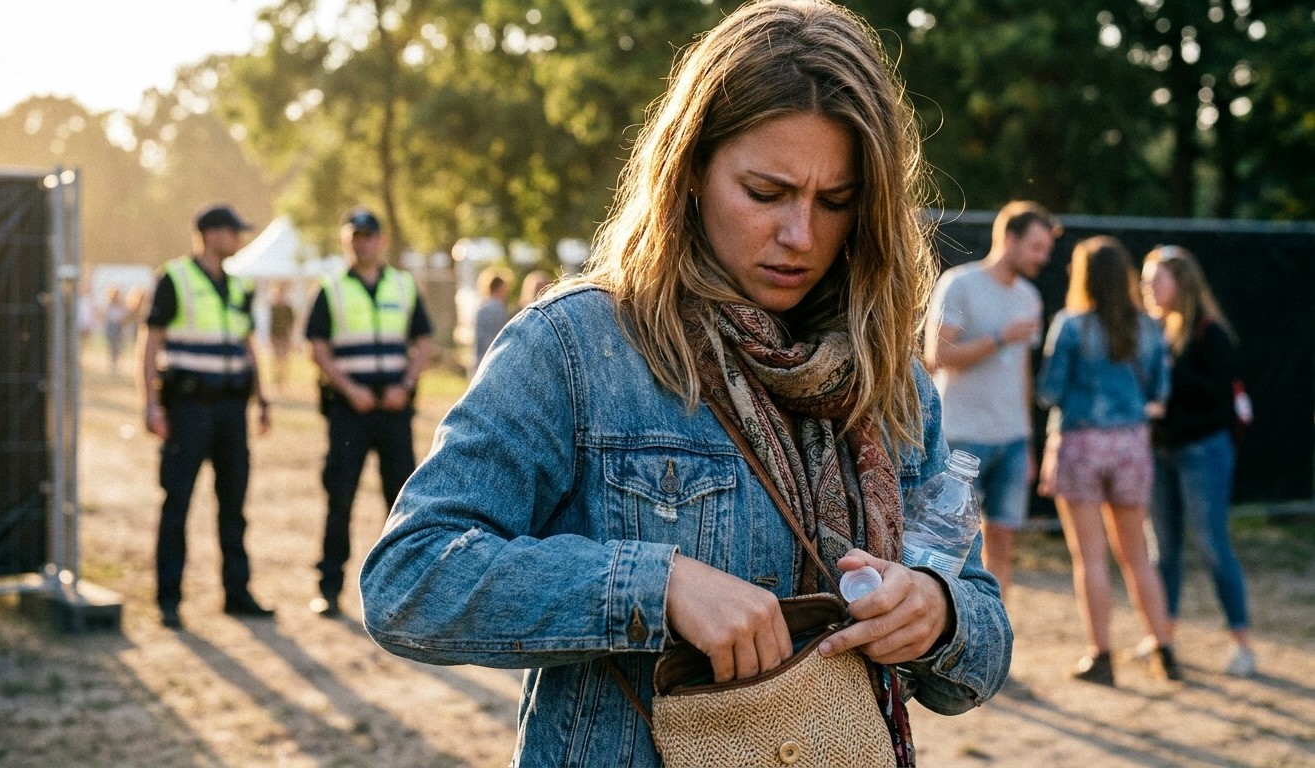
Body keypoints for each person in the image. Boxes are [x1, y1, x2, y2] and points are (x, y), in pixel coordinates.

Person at [359, 2, 1012, 765]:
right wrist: (654, 587)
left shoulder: (888, 377)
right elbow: (409, 579)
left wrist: (936, 614)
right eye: (765, 193)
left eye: (834, 202)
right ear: (689, 173)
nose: (800, 235)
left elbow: (980, 644)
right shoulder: (575, 346)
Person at [1036, 235, 1176, 684]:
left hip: (1080, 444)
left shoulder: (1070, 325)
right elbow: (1159, 391)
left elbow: (1049, 392)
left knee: (1090, 558)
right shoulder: (1150, 327)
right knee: (1136, 555)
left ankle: (1101, 656)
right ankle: (1164, 647)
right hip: (1132, 445)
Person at [138, 204, 274, 631]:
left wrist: (263, 398)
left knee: (233, 505)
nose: (239, 240)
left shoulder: (239, 286)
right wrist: (150, 403)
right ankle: (169, 599)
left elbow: (248, 344)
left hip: (232, 409)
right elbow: (151, 342)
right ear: (212, 234)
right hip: (188, 409)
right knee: (177, 502)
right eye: (234, 232)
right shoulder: (174, 278)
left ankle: (237, 592)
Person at [924, 201, 1060, 600]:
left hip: (1012, 439)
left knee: (1002, 539)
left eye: (1046, 249)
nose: (1042, 257)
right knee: (950, 542)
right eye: (1036, 247)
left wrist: (1028, 438)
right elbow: (937, 356)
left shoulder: (1029, 296)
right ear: (1010, 239)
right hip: (962, 436)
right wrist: (1000, 336)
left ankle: (993, 622)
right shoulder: (960, 283)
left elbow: (1020, 370)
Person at [304, 207, 434, 617]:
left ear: (381, 241)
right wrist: (350, 389)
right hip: (349, 412)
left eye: (368, 235)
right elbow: (317, 347)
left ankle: (405, 592)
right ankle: (329, 587)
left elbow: (424, 341)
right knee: (339, 498)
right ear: (346, 241)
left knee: (402, 502)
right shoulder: (330, 289)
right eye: (354, 236)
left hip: (394, 411)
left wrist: (406, 385)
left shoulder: (403, 285)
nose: (361, 242)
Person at [1141, 245, 1256, 678]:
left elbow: (1219, 402)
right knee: (1163, 551)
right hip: (1162, 452)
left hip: (1204, 451)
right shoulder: (1155, 331)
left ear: (1181, 283)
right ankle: (1161, 636)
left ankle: (1241, 643)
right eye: (1145, 280)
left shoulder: (1211, 333)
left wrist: (1168, 366)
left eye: (1157, 279)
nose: (1149, 287)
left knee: (1213, 545)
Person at [472, 266, 511, 369]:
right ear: (500, 288)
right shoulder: (499, 308)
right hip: (494, 357)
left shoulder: (481, 307)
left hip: (480, 356)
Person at [267, 280, 296, 393]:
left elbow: (292, 323)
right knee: (276, 357)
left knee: (284, 358)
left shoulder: (288, 307)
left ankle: (282, 378)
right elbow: (271, 323)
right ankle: (276, 377)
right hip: (276, 334)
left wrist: (291, 337)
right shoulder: (273, 307)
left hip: (284, 335)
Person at [103, 286, 128, 374]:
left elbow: (124, 317)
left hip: (118, 328)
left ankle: (116, 364)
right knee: (111, 347)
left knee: (118, 347)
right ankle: (112, 364)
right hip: (111, 328)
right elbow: (106, 316)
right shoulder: (109, 305)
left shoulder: (121, 305)